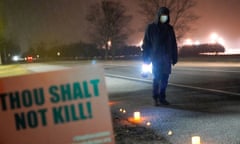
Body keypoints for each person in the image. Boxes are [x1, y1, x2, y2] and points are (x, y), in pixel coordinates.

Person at [142, 7, 178, 106]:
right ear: (158, 16)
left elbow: (174, 43)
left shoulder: (170, 29)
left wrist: (174, 56)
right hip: (156, 58)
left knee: (165, 79)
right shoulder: (151, 28)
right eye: (162, 16)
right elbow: (146, 44)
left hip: (166, 58)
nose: (164, 18)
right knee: (156, 78)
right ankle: (155, 97)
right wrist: (146, 57)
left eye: (166, 16)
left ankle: (162, 97)